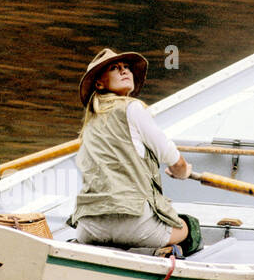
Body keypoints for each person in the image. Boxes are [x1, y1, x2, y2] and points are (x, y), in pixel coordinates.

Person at [67, 48, 202, 255]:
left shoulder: (89, 125)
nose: (124, 71)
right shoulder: (132, 109)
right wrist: (182, 172)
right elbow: (173, 158)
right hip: (135, 227)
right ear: (99, 83)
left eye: (127, 67)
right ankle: (162, 252)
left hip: (88, 228)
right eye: (115, 68)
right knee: (189, 227)